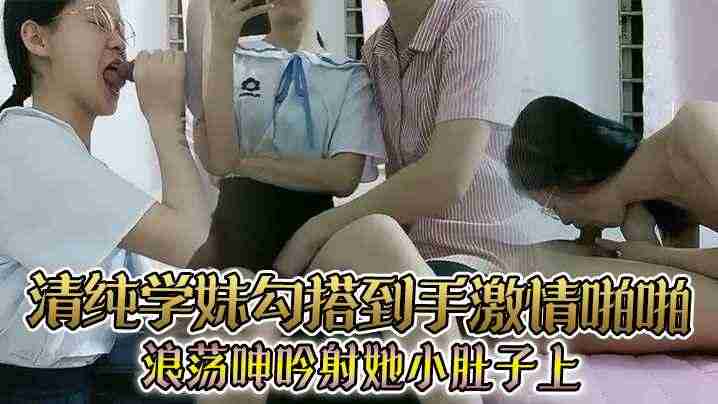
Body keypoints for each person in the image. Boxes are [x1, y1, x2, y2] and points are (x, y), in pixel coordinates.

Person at [0, 0, 213, 402]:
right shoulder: (27, 147)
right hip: (36, 390)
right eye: (98, 21)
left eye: (121, 29)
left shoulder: (66, 159)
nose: (118, 42)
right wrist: (166, 120)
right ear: (37, 39)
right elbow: (196, 244)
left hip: (89, 376)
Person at [274, 0, 535, 279]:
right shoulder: (376, 50)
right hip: (415, 254)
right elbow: (342, 173)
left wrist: (315, 231)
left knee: (371, 235)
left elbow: (445, 180)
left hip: (481, 260)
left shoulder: (479, 24)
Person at [504, 95, 718, 354]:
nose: (566, 220)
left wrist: (654, 255)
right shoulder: (660, 203)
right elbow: (695, 286)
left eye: (553, 207)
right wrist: (644, 242)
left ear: (576, 173)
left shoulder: (697, 129)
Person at [187, 0, 385, 272]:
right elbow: (219, 159)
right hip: (232, 238)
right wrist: (221, 43)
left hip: (311, 248)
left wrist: (241, 164)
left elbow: (343, 177)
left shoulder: (349, 74)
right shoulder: (232, 57)